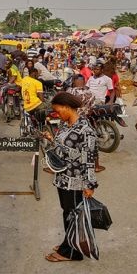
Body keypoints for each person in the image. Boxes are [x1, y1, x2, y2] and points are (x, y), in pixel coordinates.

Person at [42, 92, 98, 262]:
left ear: (67, 107)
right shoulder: (66, 124)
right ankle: (68, 242)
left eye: (58, 111)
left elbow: (89, 160)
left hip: (77, 181)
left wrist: (89, 185)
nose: (57, 114)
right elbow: (64, 147)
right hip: (64, 178)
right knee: (68, 212)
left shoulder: (85, 130)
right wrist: (52, 139)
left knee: (73, 214)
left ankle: (72, 252)